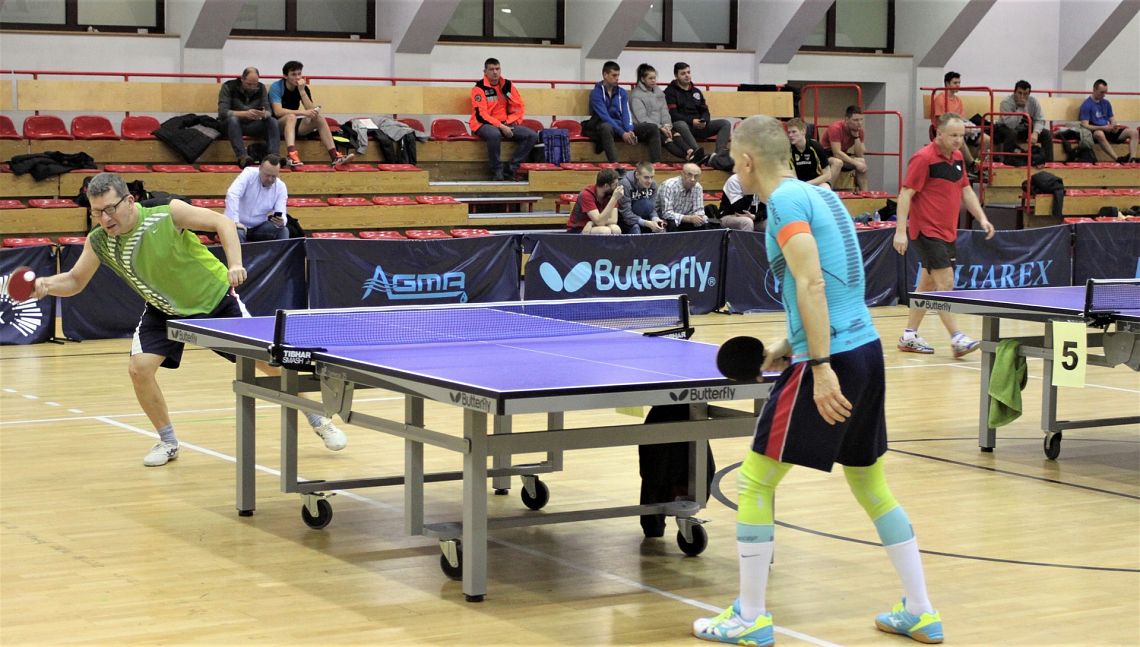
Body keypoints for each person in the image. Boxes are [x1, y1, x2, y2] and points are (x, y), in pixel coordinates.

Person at [691, 114, 943, 646]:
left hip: (832, 360)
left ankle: (750, 617)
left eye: (732, 159)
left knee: (754, 482)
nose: (731, 168)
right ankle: (921, 610)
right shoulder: (820, 195)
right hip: (866, 349)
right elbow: (842, 279)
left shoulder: (784, 202)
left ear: (746, 161)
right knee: (870, 484)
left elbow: (811, 283)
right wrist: (789, 345)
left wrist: (820, 365)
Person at [30, 173, 347, 467]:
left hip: (214, 301)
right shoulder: (99, 240)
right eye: (97, 212)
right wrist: (46, 284)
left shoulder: (166, 212)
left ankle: (318, 418)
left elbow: (222, 222)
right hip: (164, 309)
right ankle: (168, 441)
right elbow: (75, 280)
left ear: (129, 201)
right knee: (139, 369)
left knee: (267, 364)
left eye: (110, 209)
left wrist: (235, 264)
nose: (105, 218)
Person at [894, 112, 995, 357]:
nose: (958, 140)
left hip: (947, 232)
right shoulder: (923, 158)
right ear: (939, 134)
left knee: (927, 284)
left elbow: (966, 191)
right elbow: (905, 194)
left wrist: (982, 218)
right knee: (945, 282)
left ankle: (909, 335)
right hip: (926, 231)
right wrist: (900, 231)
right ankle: (957, 337)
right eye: (953, 135)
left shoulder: (958, 157)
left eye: (961, 135)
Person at [269, 60, 353, 168]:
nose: (298, 77)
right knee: (291, 117)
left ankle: (335, 157)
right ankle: (291, 155)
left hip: (292, 124)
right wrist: (303, 112)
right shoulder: (276, 87)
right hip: (276, 125)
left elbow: (311, 110)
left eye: (299, 74)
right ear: (285, 76)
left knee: (319, 118)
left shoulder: (303, 88)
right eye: (293, 74)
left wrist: (302, 91)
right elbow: (278, 111)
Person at [470, 58, 538, 181]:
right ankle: (497, 171)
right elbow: (481, 115)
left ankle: (511, 169)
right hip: (482, 124)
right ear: (485, 71)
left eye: (497, 69)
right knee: (494, 134)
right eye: (491, 69)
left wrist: (507, 122)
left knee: (531, 135)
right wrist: (501, 126)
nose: (495, 72)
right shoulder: (479, 88)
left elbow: (519, 107)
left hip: (505, 122)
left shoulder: (507, 85)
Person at [586, 61, 662, 163]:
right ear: (605, 75)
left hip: (621, 125)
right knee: (606, 127)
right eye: (614, 75)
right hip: (603, 125)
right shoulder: (596, 93)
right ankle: (615, 164)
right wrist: (622, 133)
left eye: (618, 75)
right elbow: (605, 117)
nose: (617, 78)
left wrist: (629, 130)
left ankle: (657, 163)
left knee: (652, 128)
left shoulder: (622, 92)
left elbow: (626, 113)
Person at [630, 63, 705, 163]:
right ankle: (688, 157)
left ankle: (690, 152)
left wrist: (667, 125)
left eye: (654, 78)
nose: (653, 81)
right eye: (650, 78)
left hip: (661, 126)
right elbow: (642, 118)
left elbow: (664, 111)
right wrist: (660, 127)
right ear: (642, 79)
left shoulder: (658, 92)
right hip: (645, 128)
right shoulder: (636, 95)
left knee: (675, 134)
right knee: (666, 138)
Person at [664, 62, 732, 165]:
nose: (687, 75)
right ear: (676, 76)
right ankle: (698, 154)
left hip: (700, 126)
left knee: (725, 123)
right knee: (680, 124)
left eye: (688, 72)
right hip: (684, 128)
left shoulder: (696, 91)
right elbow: (673, 115)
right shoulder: (670, 92)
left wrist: (704, 120)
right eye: (683, 73)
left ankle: (719, 155)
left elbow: (705, 110)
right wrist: (692, 121)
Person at [217, 67, 280, 168]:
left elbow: (269, 111)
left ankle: (274, 157)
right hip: (230, 125)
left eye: (255, 84)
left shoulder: (261, 88)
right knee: (233, 120)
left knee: (272, 121)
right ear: (242, 79)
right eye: (249, 84)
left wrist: (263, 114)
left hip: (252, 124)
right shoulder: (228, 86)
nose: (252, 87)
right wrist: (244, 113)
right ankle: (242, 157)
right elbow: (223, 112)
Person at [930, 72, 990, 170]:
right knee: (959, 137)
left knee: (986, 139)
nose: (958, 85)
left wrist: (969, 128)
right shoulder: (940, 99)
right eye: (955, 83)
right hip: (944, 129)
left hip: (958, 127)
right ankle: (972, 165)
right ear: (947, 84)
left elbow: (962, 118)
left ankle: (976, 165)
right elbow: (941, 121)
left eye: (959, 82)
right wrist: (961, 129)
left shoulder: (958, 100)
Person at [225, 155, 289, 243]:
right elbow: (232, 194)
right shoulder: (248, 173)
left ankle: (281, 253)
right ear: (260, 168)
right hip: (237, 223)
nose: (270, 179)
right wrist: (235, 222)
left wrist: (282, 221)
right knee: (237, 233)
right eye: (267, 175)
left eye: (274, 176)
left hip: (259, 227)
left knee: (283, 231)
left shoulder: (281, 187)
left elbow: (281, 211)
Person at [1079, 79, 1137, 163]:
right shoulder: (1086, 105)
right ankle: (1117, 158)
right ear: (1094, 90)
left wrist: (1114, 126)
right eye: (1101, 92)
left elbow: (1112, 118)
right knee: (1099, 134)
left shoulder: (1106, 103)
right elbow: (1085, 125)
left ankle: (1132, 158)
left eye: (1105, 92)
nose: (1104, 95)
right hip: (1096, 131)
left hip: (1108, 129)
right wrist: (1103, 127)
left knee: (1134, 132)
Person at [996, 80, 1052, 164]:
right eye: (1020, 93)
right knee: (1012, 133)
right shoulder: (1006, 103)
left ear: (1029, 94)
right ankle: (1007, 161)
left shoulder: (1033, 102)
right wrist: (1020, 108)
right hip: (1005, 128)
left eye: (1025, 94)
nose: (1022, 97)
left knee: (1046, 134)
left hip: (1023, 129)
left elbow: (1040, 119)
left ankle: (1049, 163)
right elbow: (1010, 125)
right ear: (1014, 92)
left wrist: (1035, 133)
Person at [820, 105, 868, 192]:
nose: (859, 123)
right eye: (855, 120)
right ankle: (826, 192)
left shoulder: (859, 131)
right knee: (838, 162)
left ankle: (865, 194)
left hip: (842, 154)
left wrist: (856, 137)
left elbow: (859, 154)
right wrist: (856, 163)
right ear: (847, 119)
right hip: (826, 155)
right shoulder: (835, 128)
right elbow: (836, 153)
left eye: (861, 120)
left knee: (861, 161)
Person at [565, 168, 623, 235]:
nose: (617, 187)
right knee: (604, 231)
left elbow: (614, 220)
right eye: (615, 184)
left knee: (616, 229)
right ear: (606, 186)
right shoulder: (586, 194)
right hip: (579, 229)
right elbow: (599, 222)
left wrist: (591, 223)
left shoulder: (611, 194)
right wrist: (614, 198)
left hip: (593, 225)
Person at [657, 163, 714, 231]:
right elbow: (666, 213)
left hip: (685, 220)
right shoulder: (669, 186)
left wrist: (699, 218)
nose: (692, 179)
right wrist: (689, 218)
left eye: (696, 176)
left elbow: (699, 210)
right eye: (689, 175)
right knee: (672, 223)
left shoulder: (698, 187)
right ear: (682, 174)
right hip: (664, 219)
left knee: (704, 223)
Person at [787, 118, 841, 186]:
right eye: (789, 132)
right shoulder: (788, 150)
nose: (790, 135)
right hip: (798, 184)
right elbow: (791, 174)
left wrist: (808, 184)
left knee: (826, 187)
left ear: (803, 131)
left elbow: (827, 175)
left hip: (815, 183)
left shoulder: (816, 147)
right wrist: (801, 186)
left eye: (794, 132)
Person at [618, 161, 666, 234]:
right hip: (625, 220)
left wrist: (655, 218)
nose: (650, 181)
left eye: (652, 177)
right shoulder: (625, 184)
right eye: (646, 177)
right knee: (636, 228)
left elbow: (652, 208)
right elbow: (626, 213)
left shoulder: (653, 185)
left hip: (643, 218)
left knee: (660, 228)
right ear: (637, 175)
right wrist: (646, 223)